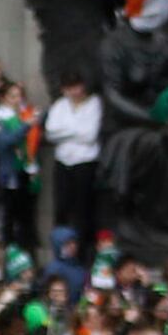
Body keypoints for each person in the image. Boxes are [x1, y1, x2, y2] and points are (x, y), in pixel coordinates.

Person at [45, 70, 104, 246]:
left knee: (84, 209)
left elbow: (90, 135)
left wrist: (65, 132)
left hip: (85, 163)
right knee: (61, 207)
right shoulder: (59, 106)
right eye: (69, 88)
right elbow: (51, 132)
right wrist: (75, 130)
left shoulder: (94, 103)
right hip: (63, 163)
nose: (74, 92)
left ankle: (85, 249)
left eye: (76, 86)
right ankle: (59, 246)